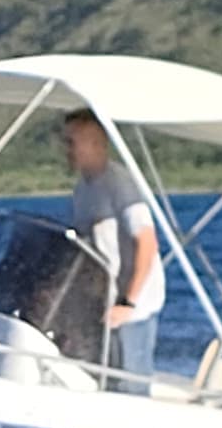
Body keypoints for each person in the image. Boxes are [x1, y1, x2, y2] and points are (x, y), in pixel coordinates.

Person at [60, 107, 165, 379]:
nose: (67, 150)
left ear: (96, 143)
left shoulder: (120, 184)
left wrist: (127, 303)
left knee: (131, 385)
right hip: (102, 302)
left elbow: (147, 242)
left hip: (132, 306)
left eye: (72, 142)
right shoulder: (83, 188)